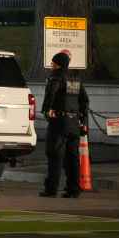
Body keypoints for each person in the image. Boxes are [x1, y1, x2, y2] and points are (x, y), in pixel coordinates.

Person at [40, 51, 89, 198]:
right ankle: (73, 189)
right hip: (74, 122)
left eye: (53, 63)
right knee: (72, 158)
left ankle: (51, 188)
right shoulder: (75, 78)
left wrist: (46, 110)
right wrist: (83, 122)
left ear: (58, 64)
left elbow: (51, 93)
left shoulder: (56, 76)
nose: (51, 65)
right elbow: (84, 101)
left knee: (55, 155)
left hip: (59, 122)